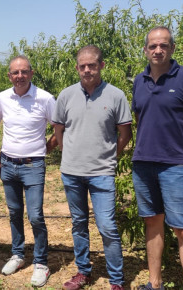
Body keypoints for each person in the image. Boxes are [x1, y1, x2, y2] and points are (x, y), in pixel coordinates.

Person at [132, 27, 183, 290]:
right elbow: (140, 119)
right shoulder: (138, 80)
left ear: (172, 48)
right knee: (152, 223)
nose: (158, 50)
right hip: (143, 164)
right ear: (145, 49)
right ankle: (154, 284)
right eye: (153, 46)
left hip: (176, 166)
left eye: (163, 45)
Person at [53, 45, 132, 290]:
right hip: (72, 172)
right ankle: (83, 271)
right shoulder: (66, 95)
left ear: (101, 66)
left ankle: (116, 280)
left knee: (107, 226)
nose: (87, 70)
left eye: (92, 65)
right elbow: (58, 129)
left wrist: (110, 156)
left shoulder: (116, 95)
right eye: (83, 66)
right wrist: (69, 153)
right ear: (77, 68)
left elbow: (125, 133)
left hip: (102, 173)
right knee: (79, 223)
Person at [0, 55, 56, 287]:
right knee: (14, 212)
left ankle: (41, 262)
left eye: (24, 72)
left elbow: (59, 125)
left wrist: (47, 147)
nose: (19, 76)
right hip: (8, 164)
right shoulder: (2, 98)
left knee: (36, 215)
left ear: (31, 73)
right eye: (15, 73)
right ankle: (18, 255)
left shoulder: (45, 98)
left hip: (33, 165)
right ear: (9, 76)